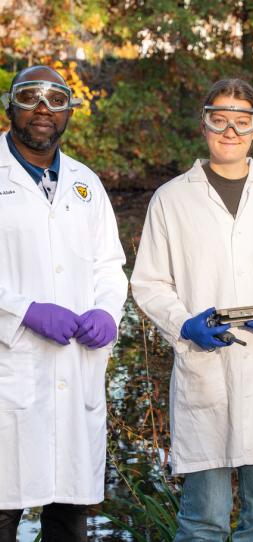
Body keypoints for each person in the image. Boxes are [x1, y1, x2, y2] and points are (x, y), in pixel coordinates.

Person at [130, 78, 253, 541]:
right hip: (204, 372)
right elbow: (148, 282)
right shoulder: (171, 199)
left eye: (242, 120)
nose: (230, 129)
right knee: (203, 517)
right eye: (220, 118)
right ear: (204, 123)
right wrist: (184, 325)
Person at [0, 66, 128, 541]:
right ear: (10, 106)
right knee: (2, 508)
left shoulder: (85, 183)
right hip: (10, 365)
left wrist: (107, 313)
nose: (43, 109)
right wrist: (21, 311)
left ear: (69, 112)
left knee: (68, 518)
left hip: (75, 371)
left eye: (56, 99)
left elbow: (109, 265)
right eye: (30, 97)